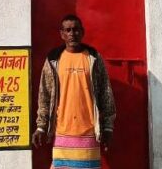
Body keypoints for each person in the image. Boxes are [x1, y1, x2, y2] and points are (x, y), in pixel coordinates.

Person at [32, 14, 116, 169]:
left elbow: (106, 93)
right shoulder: (53, 59)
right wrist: (41, 127)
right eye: (68, 30)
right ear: (62, 34)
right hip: (62, 133)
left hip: (90, 133)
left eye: (76, 30)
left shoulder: (93, 58)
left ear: (82, 32)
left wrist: (108, 127)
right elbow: (45, 95)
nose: (72, 33)